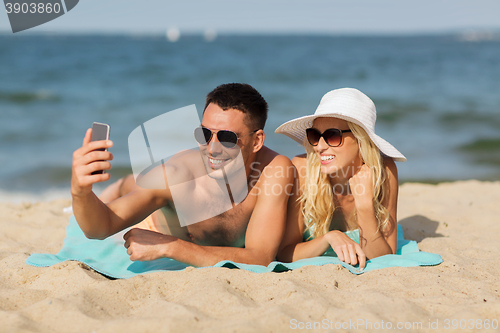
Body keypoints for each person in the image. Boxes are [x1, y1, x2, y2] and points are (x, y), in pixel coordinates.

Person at [71, 83, 294, 267]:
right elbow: (99, 228)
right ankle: (122, 184)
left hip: (172, 226)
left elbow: (260, 258)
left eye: (227, 138)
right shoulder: (175, 178)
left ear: (257, 141)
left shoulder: (274, 169)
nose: (212, 148)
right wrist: (80, 192)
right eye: (204, 133)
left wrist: (172, 246)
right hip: (156, 217)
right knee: (134, 184)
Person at [274, 88, 406, 270]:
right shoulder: (302, 169)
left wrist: (365, 207)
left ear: (361, 139)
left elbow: (384, 258)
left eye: (332, 136)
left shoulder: (384, 172)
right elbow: (284, 253)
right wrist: (329, 237)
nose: (319, 146)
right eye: (314, 135)